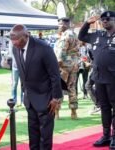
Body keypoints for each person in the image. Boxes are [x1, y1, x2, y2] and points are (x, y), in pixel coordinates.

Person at [10, 24, 62, 150]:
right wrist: (24, 93)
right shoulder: (15, 48)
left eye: (16, 39)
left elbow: (55, 74)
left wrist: (55, 98)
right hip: (29, 98)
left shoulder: (43, 48)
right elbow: (24, 73)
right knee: (33, 133)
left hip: (46, 99)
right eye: (12, 39)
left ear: (26, 36)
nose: (14, 42)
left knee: (45, 136)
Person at [78, 10, 115, 149]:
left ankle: (114, 137)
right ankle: (106, 135)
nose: (104, 21)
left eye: (108, 19)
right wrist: (87, 23)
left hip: (113, 79)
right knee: (104, 107)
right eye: (102, 20)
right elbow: (81, 36)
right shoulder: (98, 35)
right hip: (99, 78)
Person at [54, 17, 79, 119]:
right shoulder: (74, 34)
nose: (59, 27)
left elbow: (61, 52)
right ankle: (74, 112)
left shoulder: (65, 35)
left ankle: (56, 113)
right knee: (72, 88)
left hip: (64, 65)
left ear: (64, 25)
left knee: (59, 88)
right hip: (74, 64)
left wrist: (57, 64)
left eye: (60, 24)